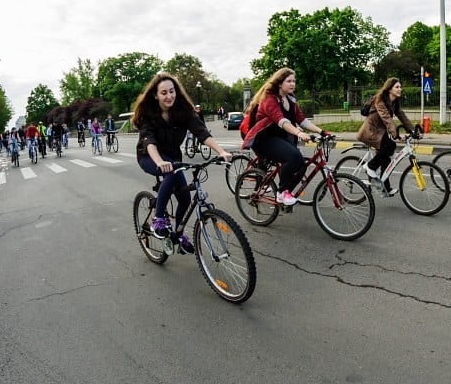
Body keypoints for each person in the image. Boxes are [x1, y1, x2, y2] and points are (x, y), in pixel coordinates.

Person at [133, 73, 231, 254]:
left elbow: (201, 132)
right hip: (149, 156)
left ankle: (178, 234)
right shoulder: (149, 114)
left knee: (185, 198)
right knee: (169, 171)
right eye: (164, 93)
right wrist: (159, 161)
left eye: (172, 91)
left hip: (172, 158)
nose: (169, 96)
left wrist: (221, 151)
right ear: (155, 95)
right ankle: (158, 219)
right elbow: (149, 141)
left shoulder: (182, 110)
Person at [241, 67, 328, 206]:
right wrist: (299, 133)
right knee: (293, 157)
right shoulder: (269, 99)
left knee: (301, 165)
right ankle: (281, 193)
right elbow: (282, 121)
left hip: (279, 138)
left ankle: (286, 193)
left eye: (294, 81)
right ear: (279, 83)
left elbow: (302, 120)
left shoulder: (290, 100)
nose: (292, 84)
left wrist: (322, 131)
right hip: (263, 139)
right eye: (289, 81)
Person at [357, 77, 418, 196]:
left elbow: (402, 116)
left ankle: (385, 187)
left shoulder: (394, 102)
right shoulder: (380, 100)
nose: (400, 89)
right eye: (397, 87)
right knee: (390, 145)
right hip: (370, 131)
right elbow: (387, 118)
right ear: (389, 89)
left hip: (380, 131)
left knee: (387, 157)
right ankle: (370, 166)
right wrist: (395, 134)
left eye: (400, 87)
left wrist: (414, 131)